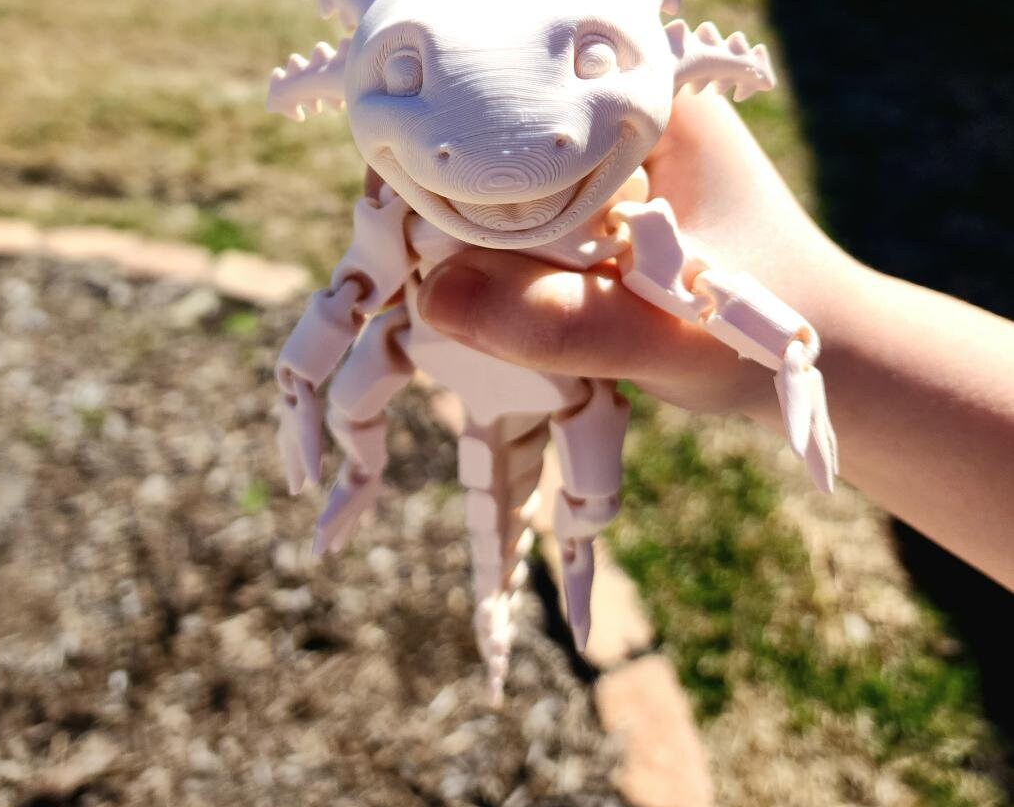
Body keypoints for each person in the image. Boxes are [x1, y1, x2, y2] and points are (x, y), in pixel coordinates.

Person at [415, 88, 1014, 592]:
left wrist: (811, 339)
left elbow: (695, 282)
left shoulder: (635, 220)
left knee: (582, 447)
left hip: (560, 319)